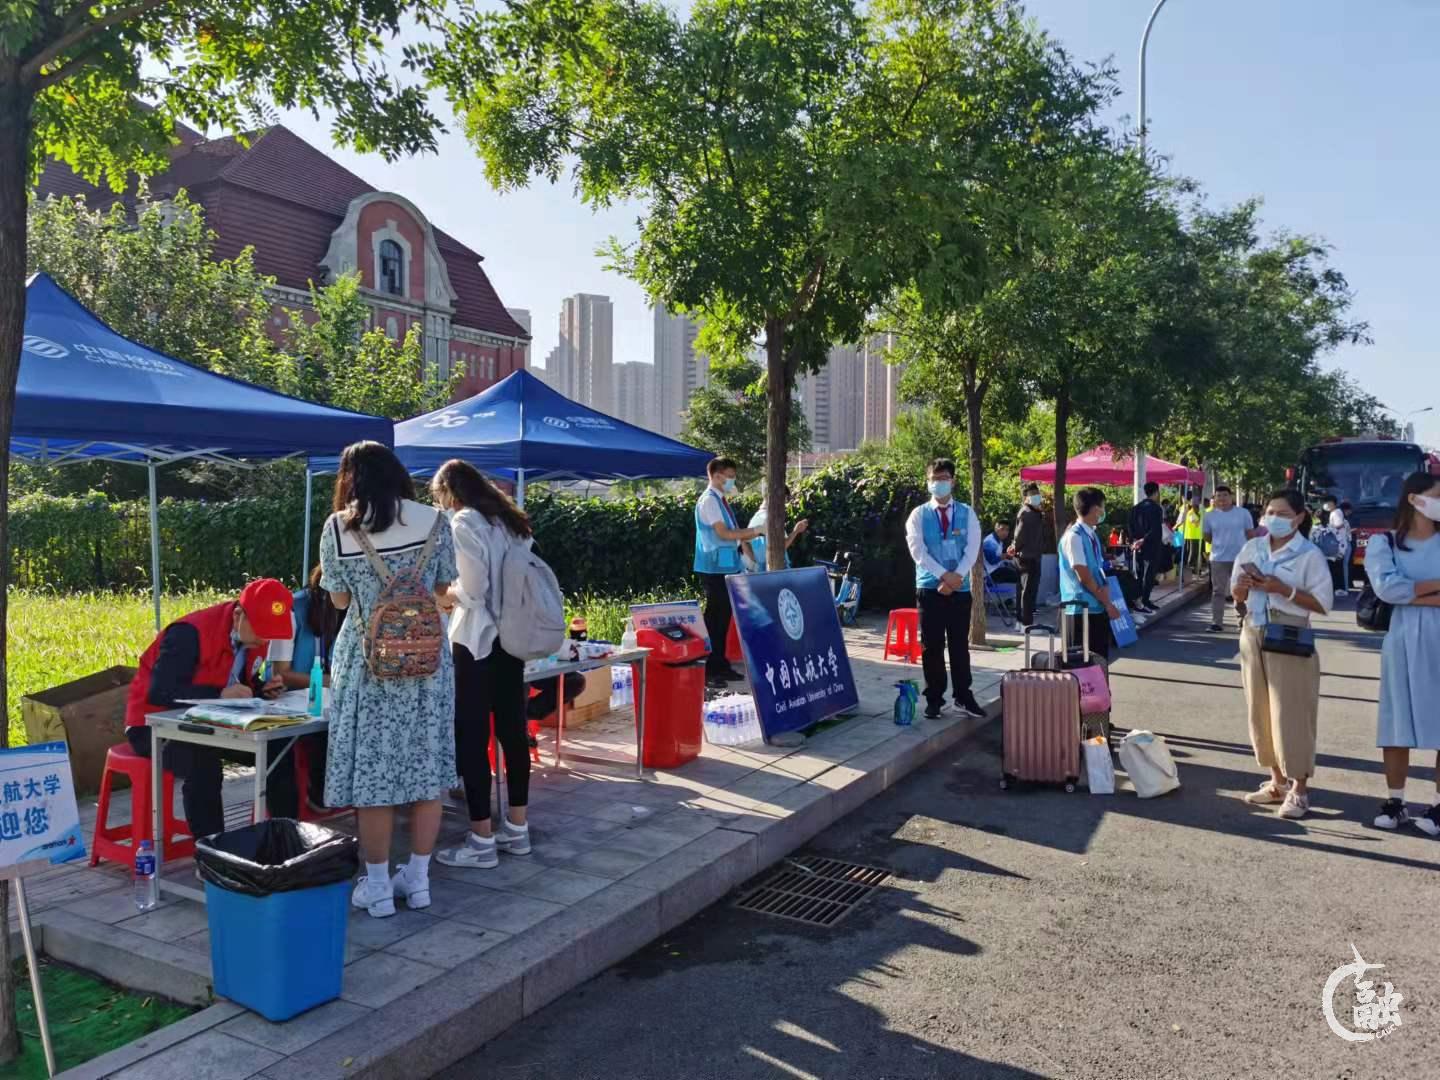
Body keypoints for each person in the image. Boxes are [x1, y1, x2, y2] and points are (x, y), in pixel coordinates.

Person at [320, 441, 458, 918]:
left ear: (349, 479)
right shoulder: (435, 521)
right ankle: (417, 881)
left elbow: (338, 602)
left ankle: (377, 885)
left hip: (366, 666)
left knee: (373, 778)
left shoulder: (339, 527)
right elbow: (442, 589)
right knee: (427, 772)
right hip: (426, 666)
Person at [428, 459, 537, 871]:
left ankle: (481, 840)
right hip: (513, 639)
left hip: (476, 641)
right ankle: (518, 829)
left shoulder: (464, 523)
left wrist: (446, 596)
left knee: (472, 739)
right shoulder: (510, 521)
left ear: (449, 492)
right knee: (513, 732)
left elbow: (472, 589)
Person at [124, 578, 295, 838]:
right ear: (238, 615)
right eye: (261, 631)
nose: (265, 639)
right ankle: (212, 851)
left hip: (212, 723)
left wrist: (261, 689)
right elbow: (161, 691)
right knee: (203, 763)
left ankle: (286, 838)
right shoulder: (188, 633)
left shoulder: (251, 637)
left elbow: (236, 679)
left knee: (279, 747)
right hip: (154, 724)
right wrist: (219, 694)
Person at [1231, 490, 1333, 821]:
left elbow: (1323, 603)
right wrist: (1243, 586)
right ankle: (1276, 780)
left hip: (1289, 634)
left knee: (1292, 712)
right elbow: (1235, 592)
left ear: (1300, 517)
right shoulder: (1253, 547)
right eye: (1270, 511)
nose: (1273, 517)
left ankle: (1299, 789)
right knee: (1259, 710)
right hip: (1253, 631)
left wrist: (1282, 589)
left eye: (1282, 512)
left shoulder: (1309, 555)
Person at [1366, 473, 1440, 834]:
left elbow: (1400, 588)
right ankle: (1396, 801)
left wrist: (1413, 591)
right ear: (1413, 498)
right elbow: (1387, 588)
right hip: (1402, 638)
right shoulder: (1386, 543)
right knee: (1397, 722)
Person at [905, 458, 985, 721]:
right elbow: (918, 551)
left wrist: (956, 577)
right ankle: (934, 699)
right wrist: (944, 576)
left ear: (953, 481)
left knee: (960, 645)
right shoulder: (918, 515)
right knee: (932, 645)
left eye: (943, 478)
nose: (939, 483)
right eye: (934, 478)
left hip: (959, 590)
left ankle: (964, 696)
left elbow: (972, 549)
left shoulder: (966, 513)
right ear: (927, 481)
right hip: (929, 587)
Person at [265, 565, 344, 816]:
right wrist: (331, 681)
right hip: (288, 701)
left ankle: (338, 794)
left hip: (328, 700)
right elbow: (281, 673)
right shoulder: (292, 609)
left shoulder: (349, 612)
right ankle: (306, 804)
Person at [695, 458, 762, 688]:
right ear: (716, 475)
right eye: (729, 475)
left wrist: (748, 549)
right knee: (714, 619)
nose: (732, 479)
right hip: (713, 567)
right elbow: (724, 533)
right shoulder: (709, 501)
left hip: (727, 565)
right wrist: (754, 531)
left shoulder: (720, 500)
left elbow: (732, 533)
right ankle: (709, 669)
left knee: (723, 618)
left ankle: (721, 664)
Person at [1058, 488, 1120, 661]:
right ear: (1095, 509)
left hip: (1095, 607)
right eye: (1103, 507)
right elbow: (1083, 575)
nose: (1103, 511)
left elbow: (1096, 567)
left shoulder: (1091, 534)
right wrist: (1107, 603)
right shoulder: (1074, 537)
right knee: (1081, 668)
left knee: (1098, 664)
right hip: (1079, 610)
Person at [1201, 486, 1257, 633]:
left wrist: (1252, 554)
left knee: (1240, 591)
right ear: (1215, 498)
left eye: (1225, 495)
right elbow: (1207, 536)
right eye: (1218, 496)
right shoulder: (1209, 516)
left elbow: (1250, 534)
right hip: (1218, 558)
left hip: (1241, 558)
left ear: (1231, 497)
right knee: (1218, 591)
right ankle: (1216, 623)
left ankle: (1243, 621)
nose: (1222, 499)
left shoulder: (1243, 513)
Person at [742, 480, 808, 572]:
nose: (783, 506)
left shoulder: (757, 516)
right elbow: (781, 546)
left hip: (763, 572)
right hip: (773, 572)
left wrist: (754, 565)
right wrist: (796, 531)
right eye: (783, 501)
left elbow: (744, 542)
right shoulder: (770, 519)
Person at [1127, 481, 1165, 614]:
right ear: (1156, 492)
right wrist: (1144, 540)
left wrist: (1134, 541)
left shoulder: (1135, 508)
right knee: (1149, 575)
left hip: (1137, 546)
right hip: (1151, 546)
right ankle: (1144, 600)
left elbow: (1130, 526)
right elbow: (1156, 529)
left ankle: (1141, 600)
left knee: (1139, 573)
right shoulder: (1156, 508)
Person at [1012, 484, 1046, 626]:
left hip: (1030, 555)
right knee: (1028, 591)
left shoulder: (1033, 511)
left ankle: (1021, 621)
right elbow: (1019, 536)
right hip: (1027, 557)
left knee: (1025, 590)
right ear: (1026, 498)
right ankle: (1026, 623)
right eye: (1033, 494)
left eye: (1037, 493)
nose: (1037, 496)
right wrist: (1015, 547)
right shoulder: (1027, 513)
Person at [1322, 496, 1353, 596]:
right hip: (1341, 544)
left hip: (1342, 545)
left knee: (1342, 567)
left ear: (1334, 503)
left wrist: (1328, 529)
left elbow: (1339, 525)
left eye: (1329, 503)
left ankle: (1344, 588)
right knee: (1341, 566)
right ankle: (1343, 588)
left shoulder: (1336, 512)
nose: (1326, 505)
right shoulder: (1335, 512)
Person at [1177, 496, 1204, 576]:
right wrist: (1200, 518)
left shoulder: (1198, 512)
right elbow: (1195, 524)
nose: (1197, 506)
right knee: (1193, 552)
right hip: (1191, 535)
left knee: (1196, 553)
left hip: (1197, 535)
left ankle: (1196, 568)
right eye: (1196, 505)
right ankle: (1191, 567)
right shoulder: (1191, 512)